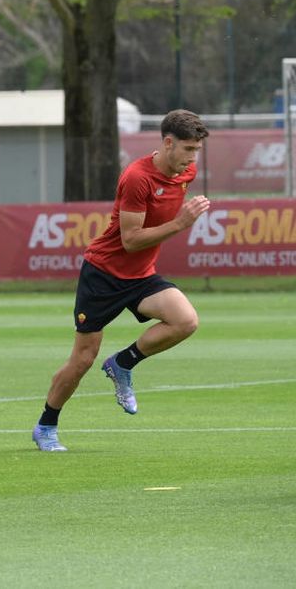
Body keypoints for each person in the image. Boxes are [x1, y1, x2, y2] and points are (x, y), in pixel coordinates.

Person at [32, 109, 211, 452]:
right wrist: (180, 224)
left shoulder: (187, 171)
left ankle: (122, 363)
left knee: (185, 321)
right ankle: (46, 426)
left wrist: (176, 220)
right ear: (168, 143)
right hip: (104, 274)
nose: (193, 158)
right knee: (82, 359)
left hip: (141, 276)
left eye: (197, 150)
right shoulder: (136, 177)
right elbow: (130, 240)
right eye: (188, 149)